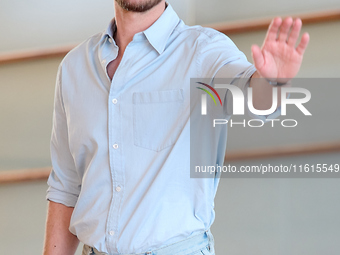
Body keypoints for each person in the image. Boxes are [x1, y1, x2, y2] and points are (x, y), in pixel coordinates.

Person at [43, 0, 309, 254]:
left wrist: (271, 83)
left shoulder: (204, 51)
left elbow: (254, 99)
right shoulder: (73, 68)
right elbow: (66, 188)